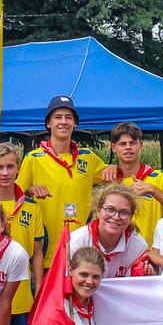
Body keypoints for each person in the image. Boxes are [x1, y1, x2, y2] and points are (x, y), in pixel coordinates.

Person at [17, 95, 108, 270]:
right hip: (45, 254)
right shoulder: (33, 159)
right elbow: (17, 197)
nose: (63, 122)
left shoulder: (88, 157)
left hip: (80, 253)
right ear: (48, 123)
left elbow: (116, 178)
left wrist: (112, 167)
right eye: (58, 117)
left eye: (69, 117)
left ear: (75, 124)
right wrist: (30, 190)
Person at [0, 141, 44, 325]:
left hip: (22, 297)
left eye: (10, 167)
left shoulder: (32, 208)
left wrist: (39, 290)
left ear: (18, 168)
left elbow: (38, 253)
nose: (5, 173)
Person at [107, 121, 163, 244]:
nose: (128, 147)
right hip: (117, 255)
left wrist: (153, 190)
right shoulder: (109, 180)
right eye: (122, 144)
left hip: (150, 255)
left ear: (141, 144)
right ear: (113, 147)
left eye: (132, 143)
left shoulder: (161, 177)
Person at [68, 187, 148, 278]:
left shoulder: (138, 247)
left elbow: (133, 288)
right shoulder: (75, 242)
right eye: (110, 210)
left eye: (124, 212)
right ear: (98, 211)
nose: (116, 217)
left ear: (131, 217)